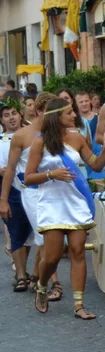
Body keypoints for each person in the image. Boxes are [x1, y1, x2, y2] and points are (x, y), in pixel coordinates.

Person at [24, 97, 105, 318]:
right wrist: (50, 174)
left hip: (76, 203)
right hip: (52, 204)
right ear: (57, 116)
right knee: (53, 256)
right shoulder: (40, 142)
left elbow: (96, 164)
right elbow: (28, 178)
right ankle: (43, 285)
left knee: (77, 252)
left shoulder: (77, 138)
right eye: (69, 113)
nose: (74, 116)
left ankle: (79, 305)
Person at [0, 93, 61, 298]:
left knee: (44, 237)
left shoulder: (58, 132)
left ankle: (37, 276)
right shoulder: (21, 136)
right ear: (38, 111)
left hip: (52, 191)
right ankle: (34, 278)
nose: (11, 118)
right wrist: (4, 199)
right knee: (28, 235)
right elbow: (10, 168)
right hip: (25, 191)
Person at [0, 97, 29, 291]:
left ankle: (34, 273)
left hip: (33, 188)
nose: (11, 118)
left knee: (35, 233)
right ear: (1, 120)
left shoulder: (32, 135)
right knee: (17, 232)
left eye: (14, 114)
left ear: (20, 114)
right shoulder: (1, 141)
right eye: (6, 115)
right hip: (11, 190)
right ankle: (20, 274)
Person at [75, 91, 105, 179]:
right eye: (81, 102)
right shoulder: (73, 122)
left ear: (90, 101)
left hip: (97, 159)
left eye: (86, 101)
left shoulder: (100, 118)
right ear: (76, 104)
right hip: (81, 163)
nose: (84, 104)